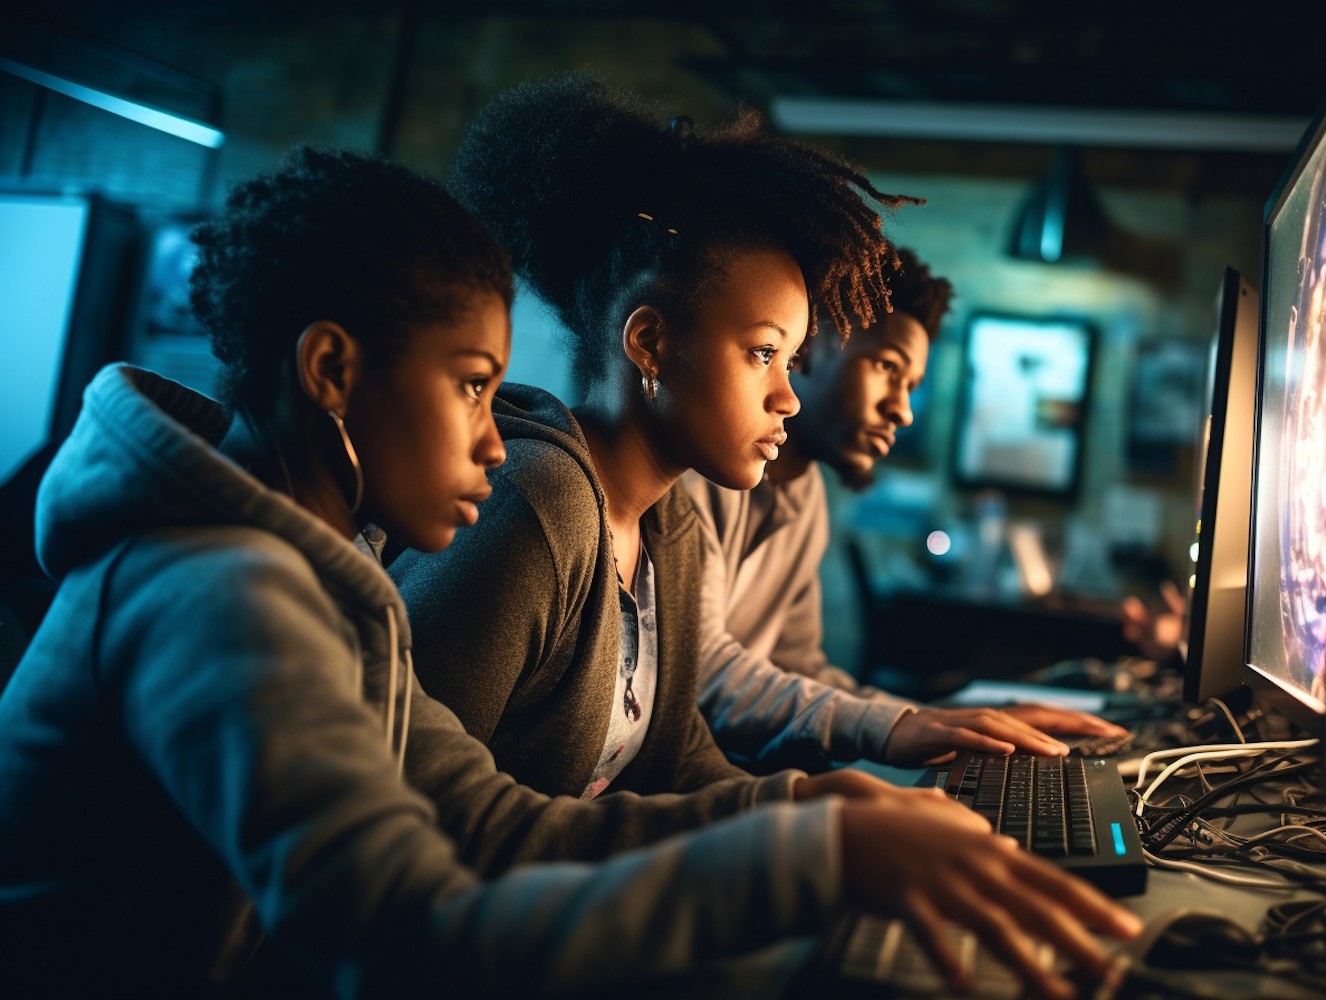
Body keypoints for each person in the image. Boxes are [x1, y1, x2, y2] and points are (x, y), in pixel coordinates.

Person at [0, 146, 1140, 999]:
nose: (495, 439)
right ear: (335, 372)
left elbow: (491, 820)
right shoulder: (216, 595)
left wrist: (807, 814)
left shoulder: (321, 584)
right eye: (470, 385)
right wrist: (808, 853)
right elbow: (408, 923)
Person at [391, 77, 996, 808]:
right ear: (649, 344)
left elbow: (678, 764)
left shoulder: (666, 528)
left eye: (791, 360)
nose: (788, 396)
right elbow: (419, 827)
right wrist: (815, 833)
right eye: (763, 354)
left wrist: (834, 810)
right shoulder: (535, 510)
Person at [690, 248, 1130, 772]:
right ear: (804, 346)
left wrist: (949, 718)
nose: (901, 409)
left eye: (911, 386)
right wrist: (893, 726)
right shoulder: (696, 475)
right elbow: (701, 671)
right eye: (885, 367)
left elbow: (797, 667)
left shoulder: (805, 494)